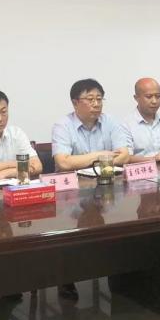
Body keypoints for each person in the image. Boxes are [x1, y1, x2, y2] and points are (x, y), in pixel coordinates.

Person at [51, 78, 132, 300]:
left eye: (99, 99)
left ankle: (119, 273)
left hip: (106, 186)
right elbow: (63, 162)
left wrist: (86, 160)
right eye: (90, 99)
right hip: (72, 193)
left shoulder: (110, 121)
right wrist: (100, 156)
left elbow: (124, 155)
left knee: (119, 227)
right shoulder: (63, 125)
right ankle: (66, 277)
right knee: (70, 232)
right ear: (75, 102)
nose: (96, 104)